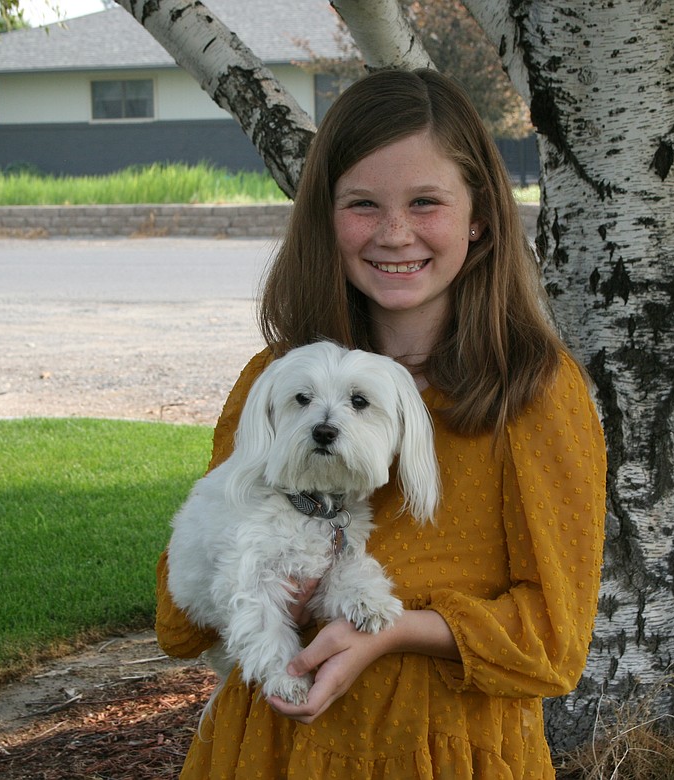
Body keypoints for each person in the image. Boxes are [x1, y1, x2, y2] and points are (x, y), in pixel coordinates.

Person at [155, 67, 607, 779]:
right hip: (272, 753)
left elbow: (555, 640)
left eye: (426, 202)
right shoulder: (276, 383)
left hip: (446, 753)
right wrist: (274, 585)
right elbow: (177, 624)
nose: (396, 234)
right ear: (324, 218)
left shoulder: (534, 394)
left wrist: (393, 632)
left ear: (479, 216)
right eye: (363, 204)